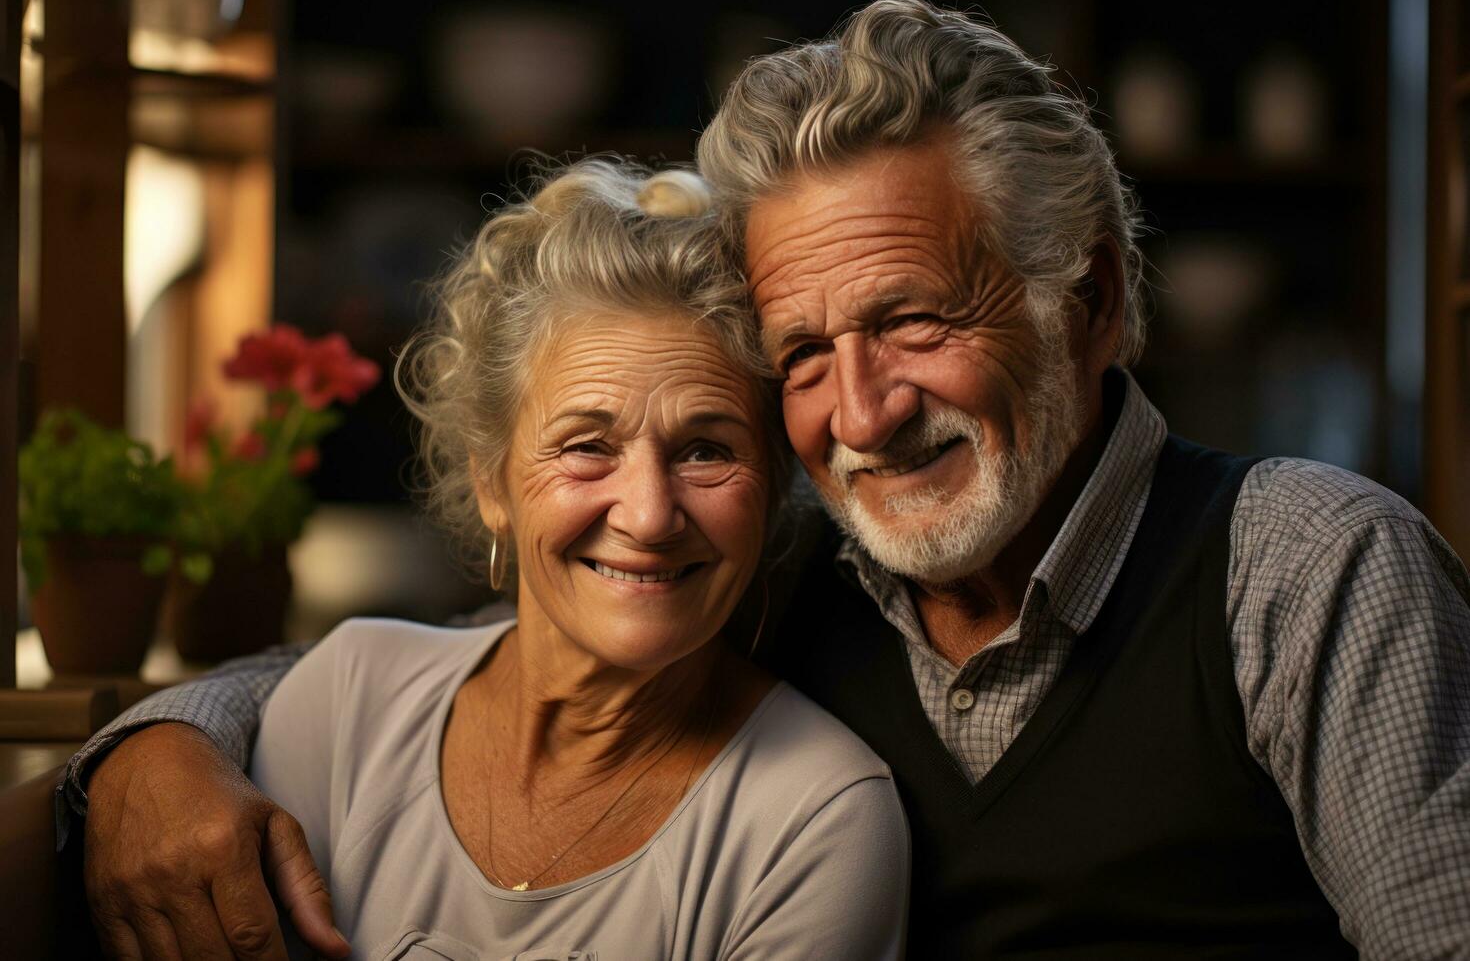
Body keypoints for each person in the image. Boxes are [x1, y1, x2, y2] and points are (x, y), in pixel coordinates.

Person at [68, 0, 1470, 959]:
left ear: (1087, 303)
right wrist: (146, 755)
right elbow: (450, 673)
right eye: (803, 352)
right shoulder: (795, 571)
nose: (859, 413)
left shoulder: (1306, 569)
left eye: (915, 320)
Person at [73, 159, 910, 960]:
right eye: (587, 446)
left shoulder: (820, 816)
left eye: (705, 451)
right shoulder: (345, 703)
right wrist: (142, 748)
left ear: (772, 493)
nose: (651, 515)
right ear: (492, 483)